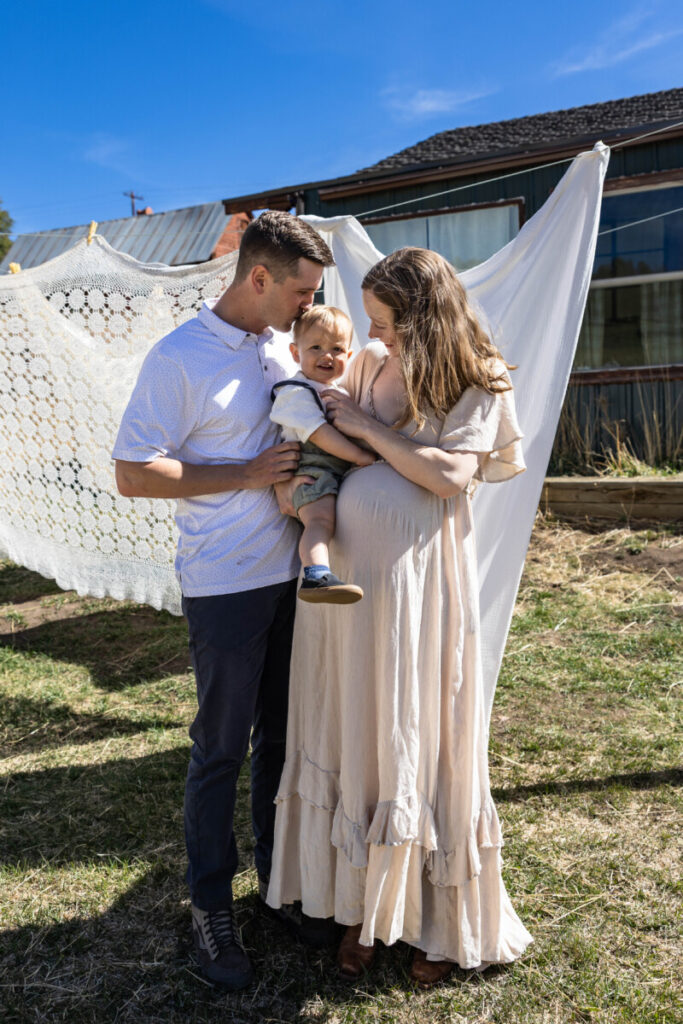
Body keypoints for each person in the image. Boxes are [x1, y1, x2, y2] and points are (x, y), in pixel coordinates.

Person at [267, 247, 533, 985]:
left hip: (415, 585)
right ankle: (360, 905)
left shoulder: (477, 375)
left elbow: (448, 475)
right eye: (373, 322)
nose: (375, 335)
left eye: (386, 321)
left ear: (423, 313)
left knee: (410, 724)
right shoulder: (370, 362)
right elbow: (322, 423)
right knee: (357, 725)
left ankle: (435, 921)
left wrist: (370, 432)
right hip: (347, 577)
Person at [112, 211, 336, 991]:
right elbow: (133, 472)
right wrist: (244, 474)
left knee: (283, 741)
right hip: (224, 585)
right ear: (259, 277)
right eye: (302, 290)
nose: (310, 306)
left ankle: (277, 888)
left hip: (291, 579)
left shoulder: (285, 344)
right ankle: (210, 904)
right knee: (220, 751)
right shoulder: (179, 358)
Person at [270, 305, 375, 604]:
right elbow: (319, 434)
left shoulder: (340, 391)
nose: (327, 355)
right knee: (320, 522)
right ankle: (316, 574)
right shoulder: (295, 391)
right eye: (316, 347)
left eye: (337, 348)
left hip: (334, 470)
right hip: (312, 470)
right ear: (294, 352)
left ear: (349, 357)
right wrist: (359, 456)